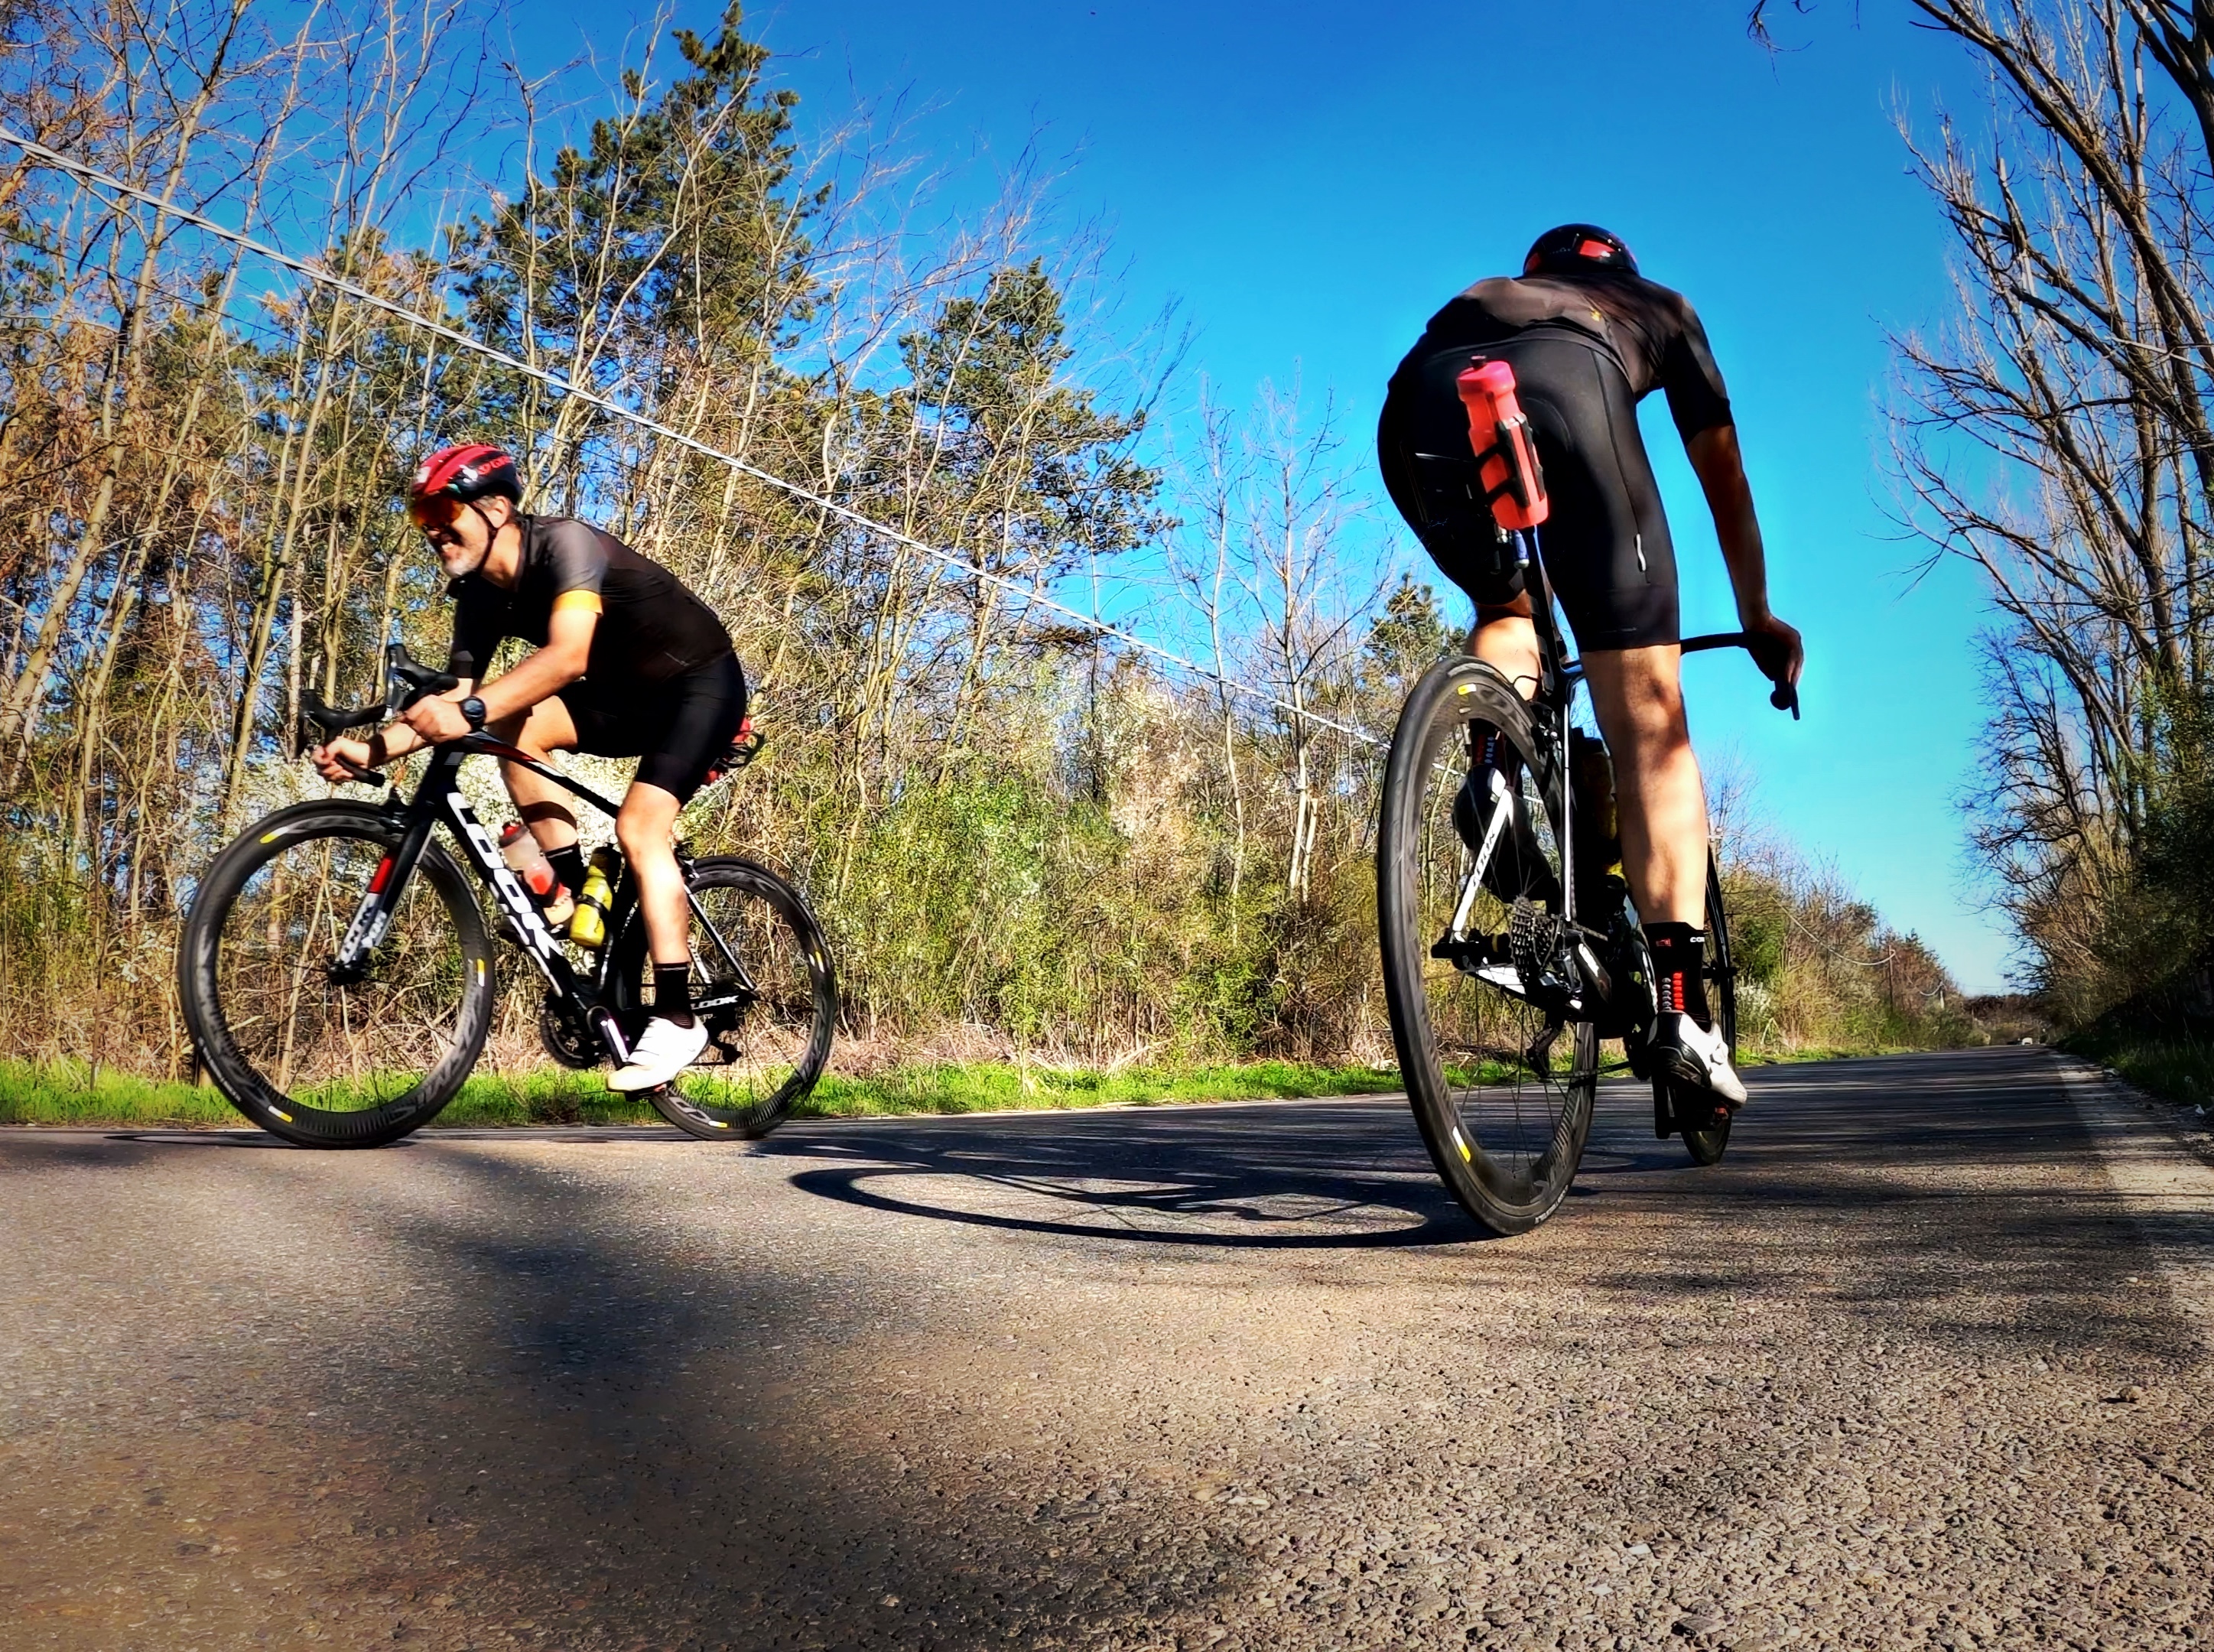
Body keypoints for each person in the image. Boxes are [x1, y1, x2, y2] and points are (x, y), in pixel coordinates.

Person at [1377, 223, 1802, 1111]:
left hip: (1419, 400)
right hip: (1572, 389)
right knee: (1649, 723)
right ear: (1624, 271)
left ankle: (1490, 764)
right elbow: (1727, 487)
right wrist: (1757, 616)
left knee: (1508, 614)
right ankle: (1684, 1013)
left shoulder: (1489, 288)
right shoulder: (1662, 309)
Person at [311, 444, 748, 1093]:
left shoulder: (565, 545)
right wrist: (372, 750)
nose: (431, 529)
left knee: (640, 829)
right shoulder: (479, 598)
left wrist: (472, 708)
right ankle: (573, 892)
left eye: (441, 509)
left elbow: (568, 656)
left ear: (495, 508)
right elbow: (460, 702)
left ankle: (679, 1015)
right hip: (619, 703)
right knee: (510, 723)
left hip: (698, 688)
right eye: (419, 517)